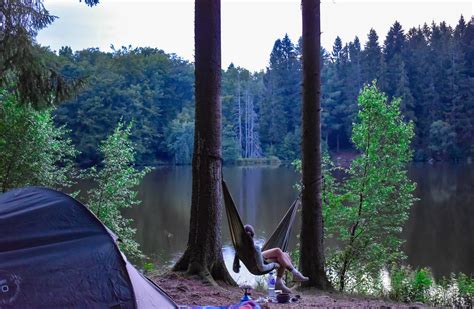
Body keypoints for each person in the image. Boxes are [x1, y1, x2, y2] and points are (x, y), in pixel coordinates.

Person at [244, 224, 309, 293]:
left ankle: (280, 283)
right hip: (259, 262)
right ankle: (294, 274)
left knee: (284, 255)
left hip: (257, 259)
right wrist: (274, 265)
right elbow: (261, 267)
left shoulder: (240, 245)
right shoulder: (255, 248)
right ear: (253, 235)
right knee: (279, 253)